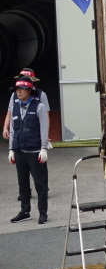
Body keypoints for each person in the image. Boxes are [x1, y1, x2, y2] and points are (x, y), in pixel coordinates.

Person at [8, 76, 50, 225]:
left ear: (29, 90)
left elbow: (44, 128)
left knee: (40, 184)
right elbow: (12, 130)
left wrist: (43, 148)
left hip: (34, 152)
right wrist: (11, 149)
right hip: (19, 151)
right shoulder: (15, 107)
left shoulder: (39, 107)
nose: (19, 92)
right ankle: (25, 212)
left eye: (22, 89)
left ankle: (43, 213)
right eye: (17, 89)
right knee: (23, 184)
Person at [3, 68, 49, 141]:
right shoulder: (14, 94)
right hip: (18, 133)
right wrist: (5, 128)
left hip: (34, 133)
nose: (23, 79)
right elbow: (9, 112)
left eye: (26, 78)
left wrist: (45, 136)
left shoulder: (41, 94)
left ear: (32, 80)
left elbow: (45, 117)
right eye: (21, 77)